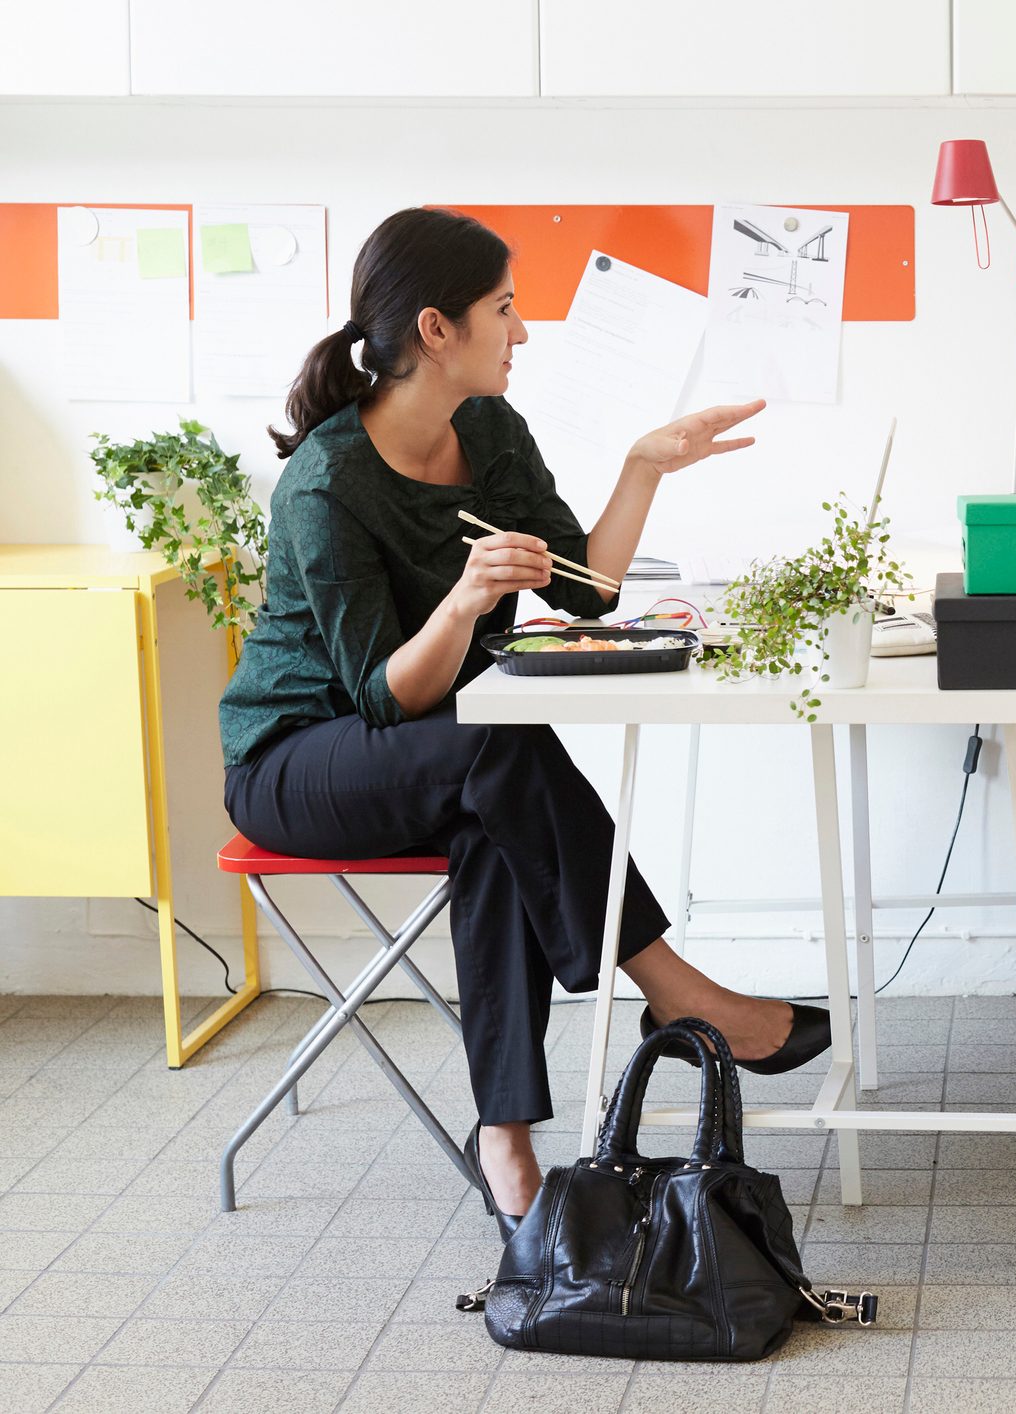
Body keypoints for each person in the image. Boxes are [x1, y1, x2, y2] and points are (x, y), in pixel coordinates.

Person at [220, 207, 830, 1237]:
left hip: (449, 762)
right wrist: (464, 601)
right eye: (504, 307)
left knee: (498, 819)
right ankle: (678, 990)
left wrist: (643, 466)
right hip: (297, 760)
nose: (523, 329)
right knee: (497, 749)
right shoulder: (327, 482)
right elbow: (385, 696)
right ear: (436, 329)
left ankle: (506, 1144)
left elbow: (586, 590)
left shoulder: (492, 432)